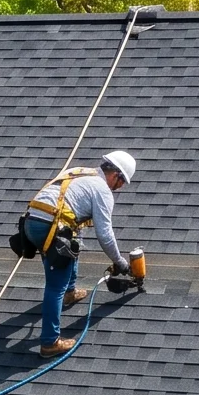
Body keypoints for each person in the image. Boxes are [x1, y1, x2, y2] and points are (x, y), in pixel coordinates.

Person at [20, 151, 137, 356]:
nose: (121, 187)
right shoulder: (102, 191)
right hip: (49, 226)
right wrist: (120, 262)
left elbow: (74, 226)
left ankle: (70, 292)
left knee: (70, 246)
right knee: (55, 285)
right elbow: (105, 234)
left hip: (32, 221)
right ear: (115, 175)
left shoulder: (79, 172)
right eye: (122, 182)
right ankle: (49, 342)